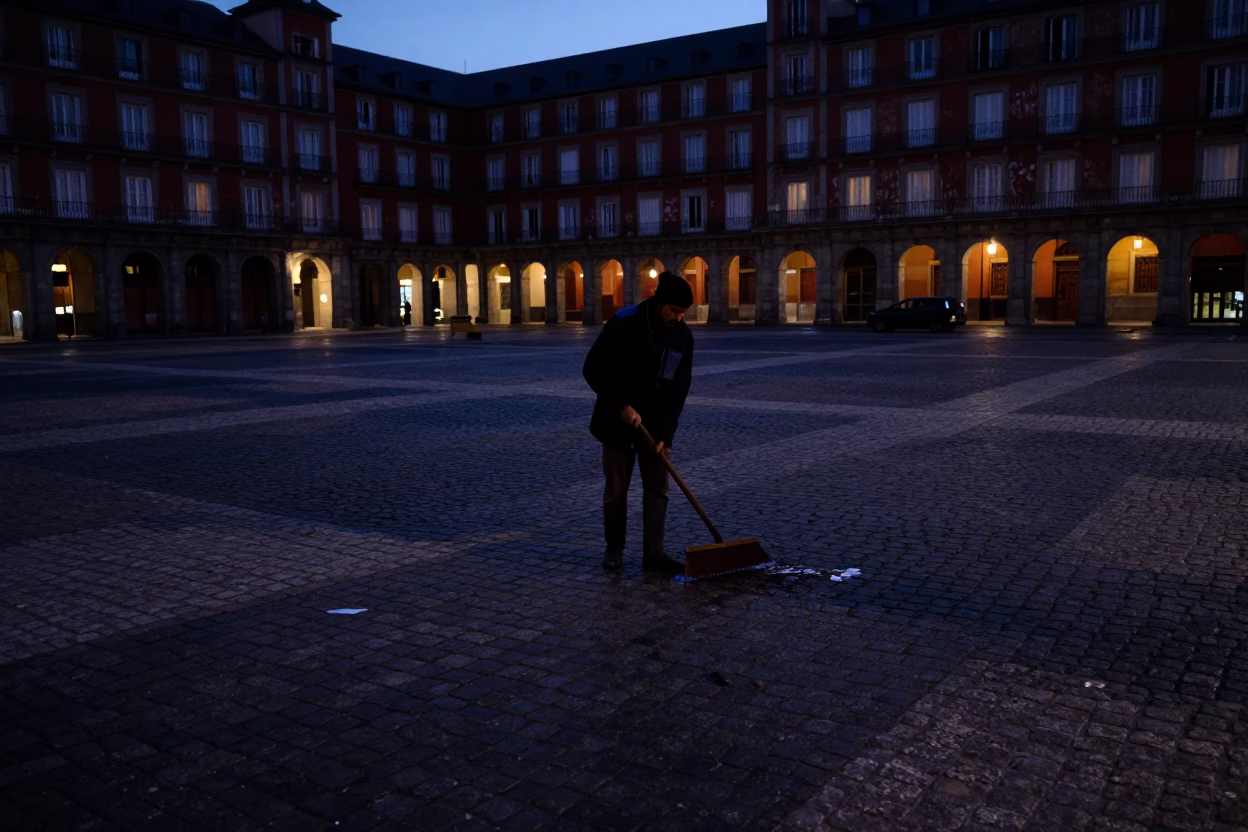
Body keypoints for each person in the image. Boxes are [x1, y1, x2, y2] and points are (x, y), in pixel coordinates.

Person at [583, 271, 694, 574]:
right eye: (674, 310)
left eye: (684, 312)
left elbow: (678, 390)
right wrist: (621, 405)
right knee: (617, 491)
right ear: (659, 303)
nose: (679, 317)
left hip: (655, 427)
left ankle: (654, 555)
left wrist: (666, 436)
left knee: (658, 490)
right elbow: (593, 368)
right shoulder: (623, 323)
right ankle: (614, 550)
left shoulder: (682, 336)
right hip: (617, 424)